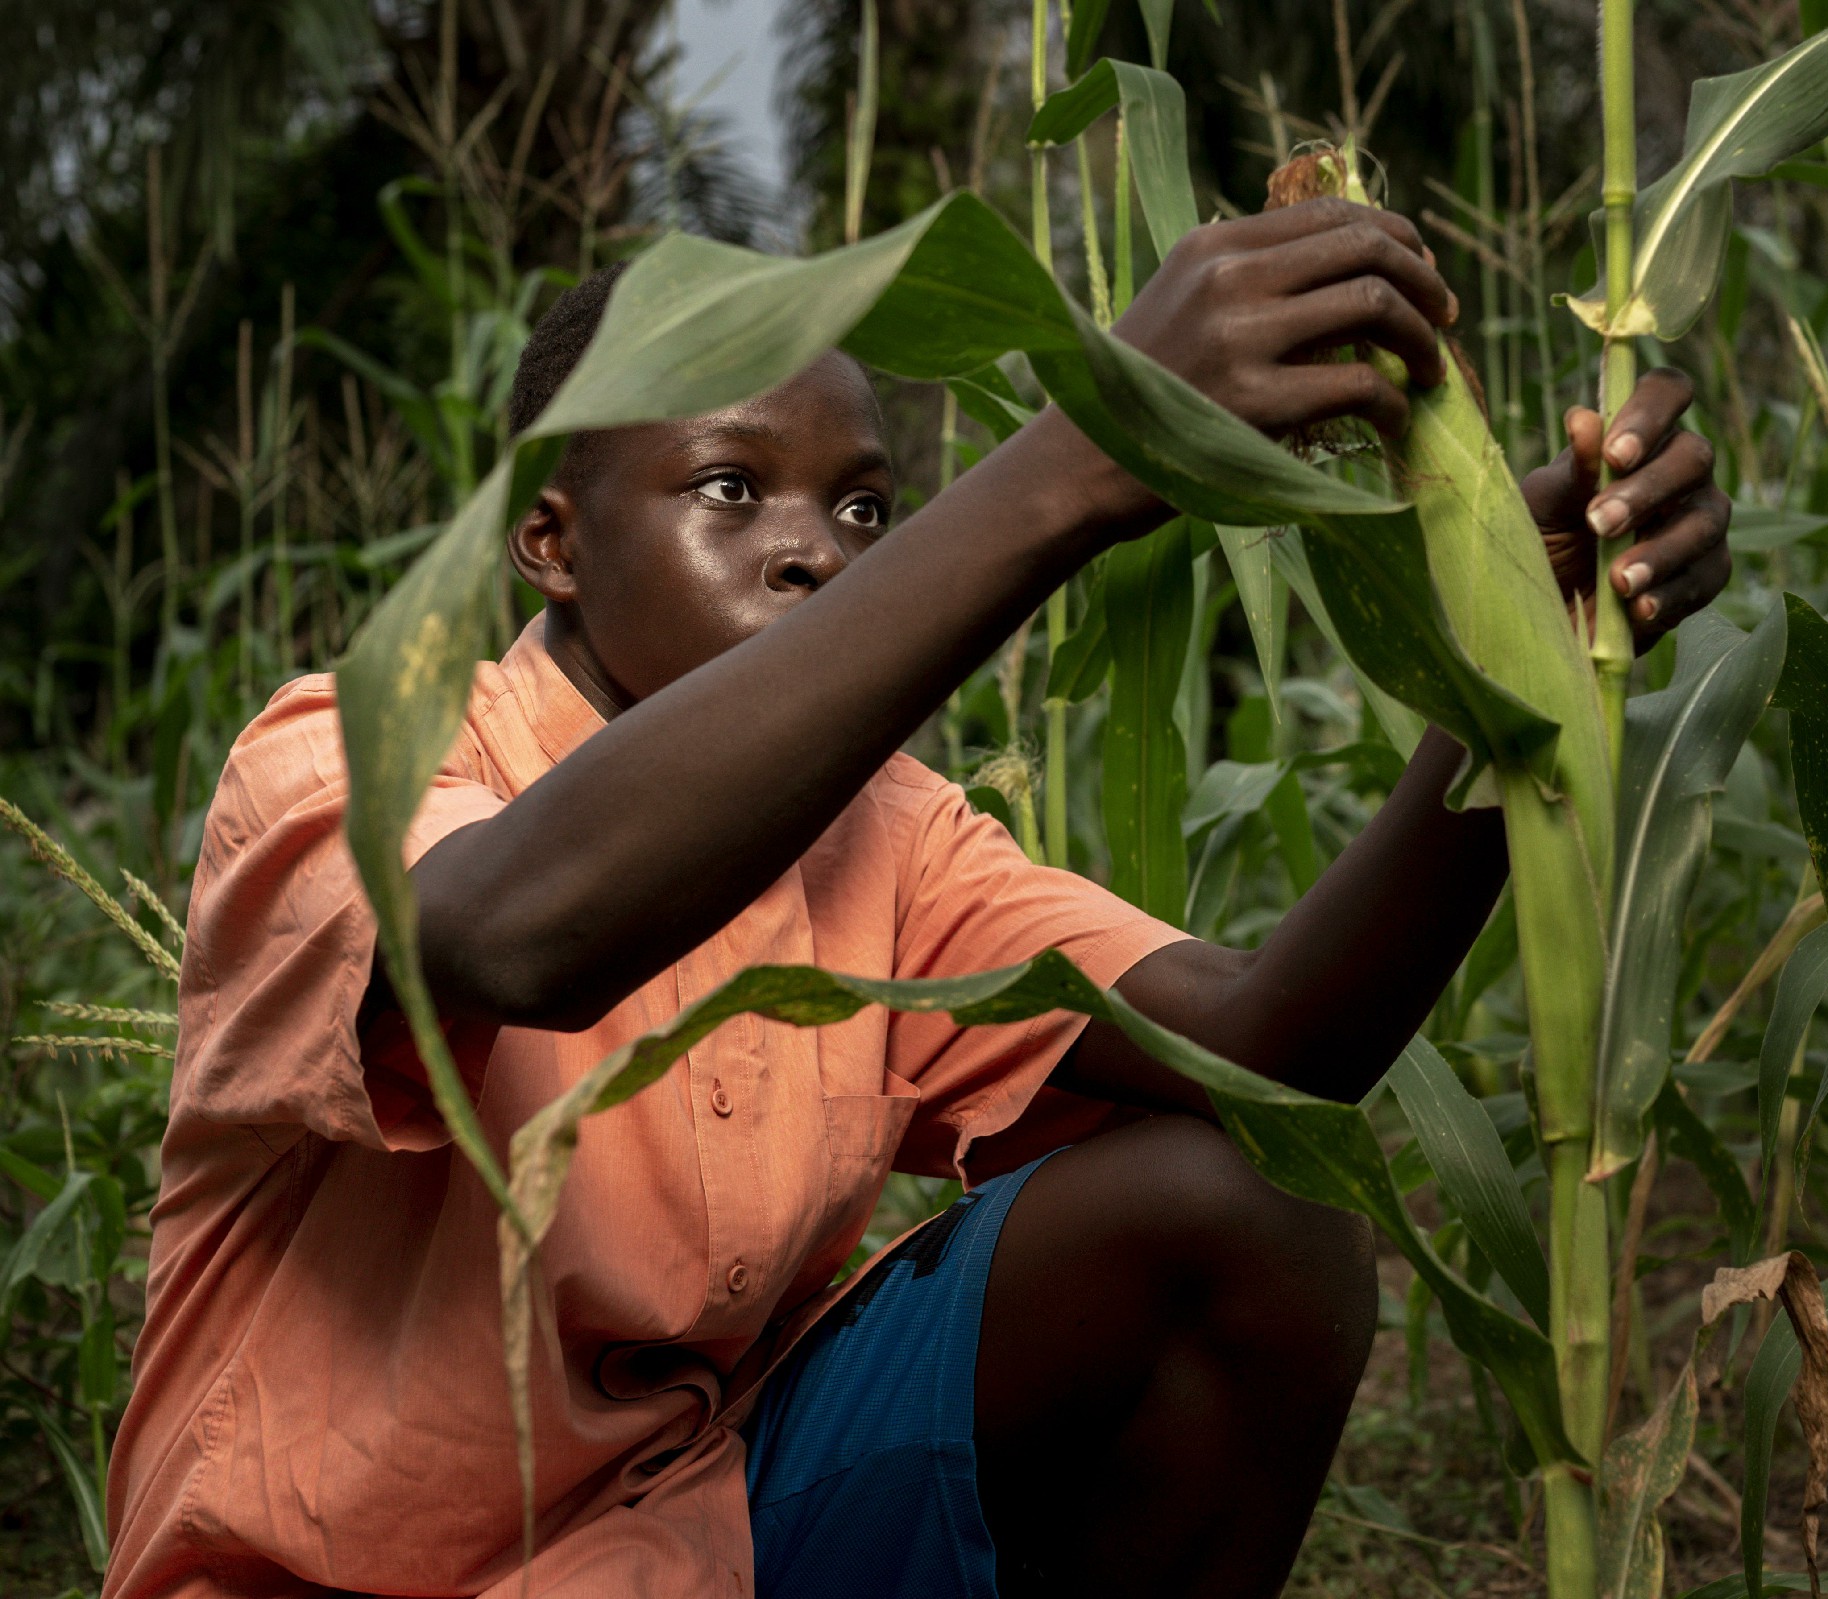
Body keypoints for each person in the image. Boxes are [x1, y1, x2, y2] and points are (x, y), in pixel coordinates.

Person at [106, 197, 1730, 1599]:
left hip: (688, 1549)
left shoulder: (885, 841)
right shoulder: (348, 755)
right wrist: (1082, 464)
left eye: (866, 509)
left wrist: (1514, 654)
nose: (819, 550)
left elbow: (1275, 1047)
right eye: (731, 488)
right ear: (551, 539)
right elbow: (519, 931)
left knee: (1252, 1206)